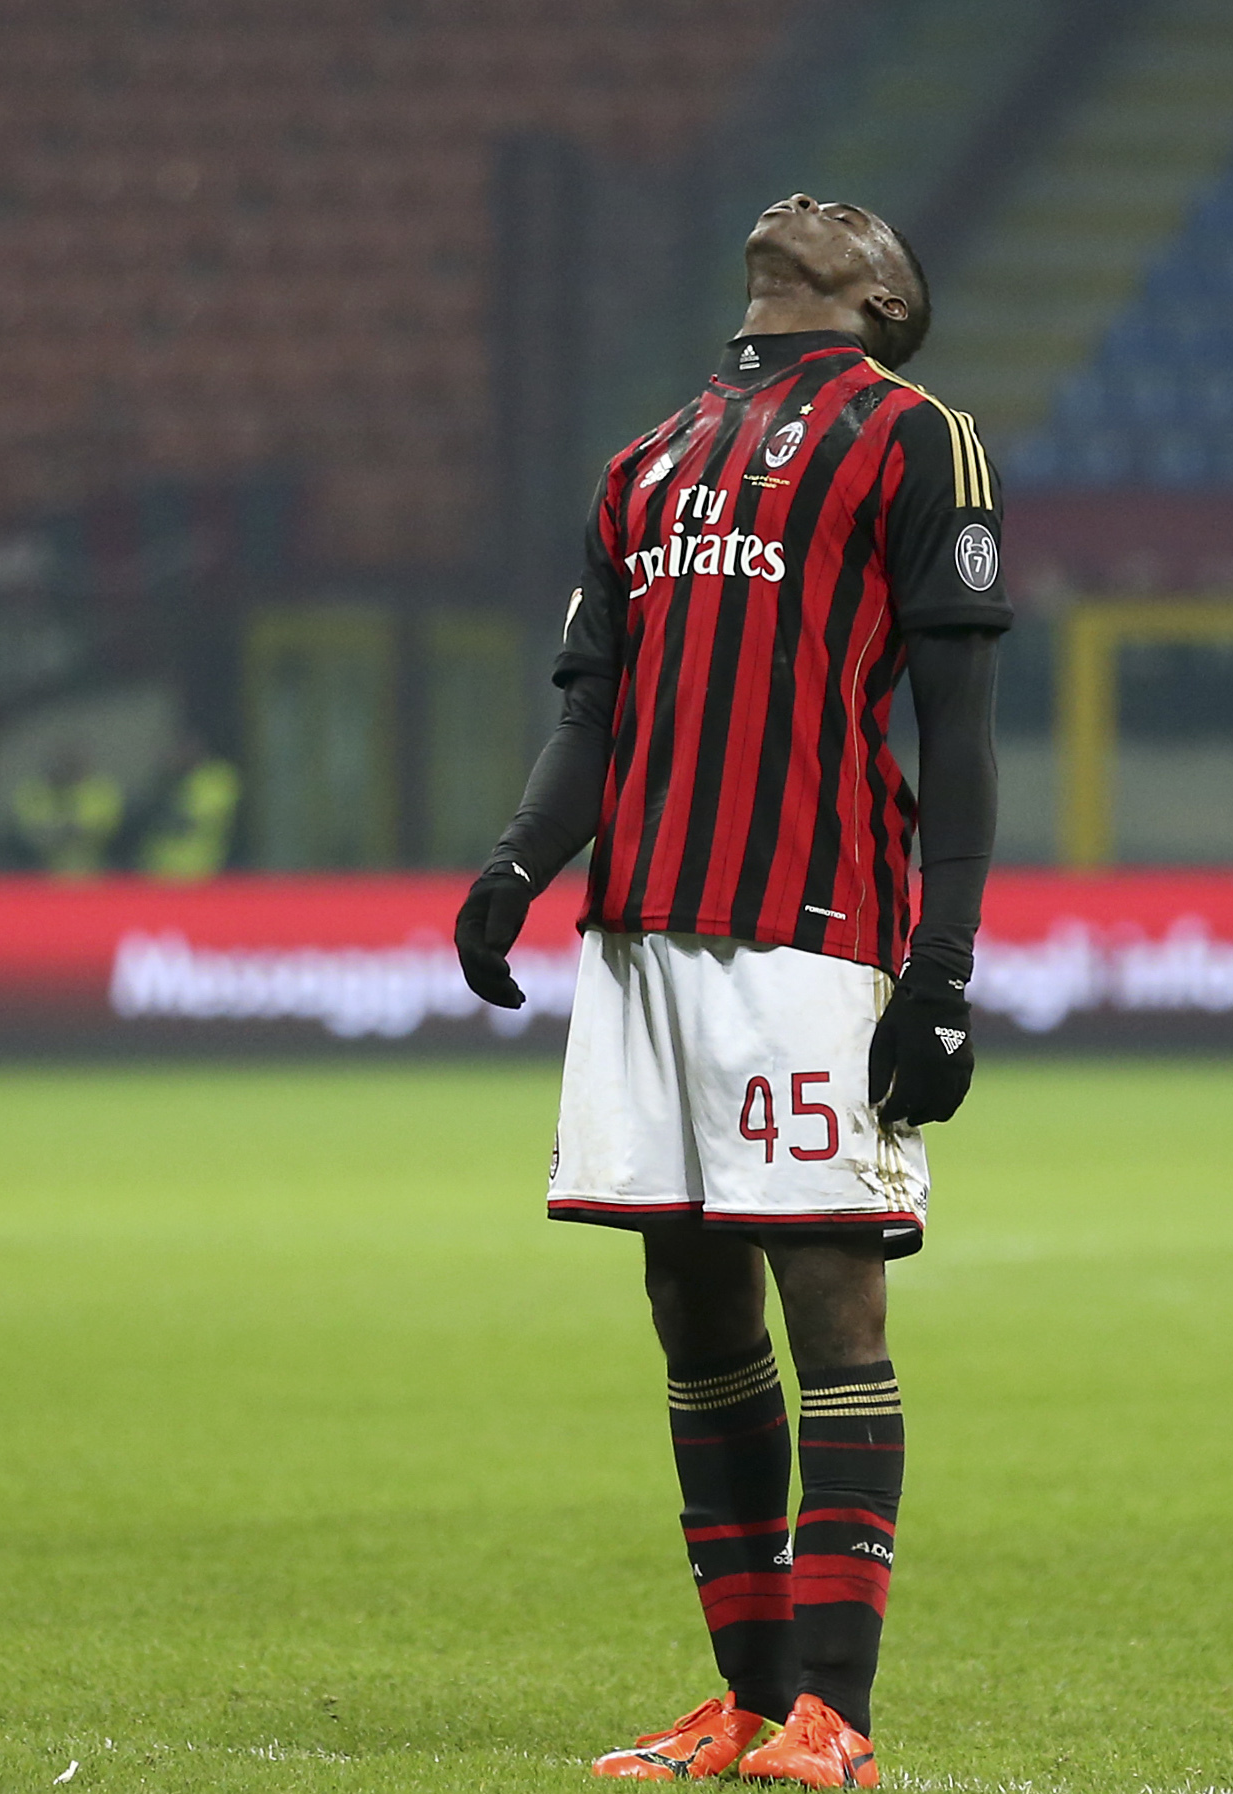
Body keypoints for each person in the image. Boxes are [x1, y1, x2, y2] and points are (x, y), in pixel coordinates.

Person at [453, 192, 1007, 1787]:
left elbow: (957, 727)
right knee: (688, 1305)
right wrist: (515, 865)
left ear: (886, 300)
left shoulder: (917, 438)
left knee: (830, 1298)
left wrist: (943, 965)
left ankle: (840, 1713)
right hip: (641, 932)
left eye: (870, 225)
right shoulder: (647, 457)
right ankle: (750, 1701)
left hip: (807, 925)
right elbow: (595, 710)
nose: (826, 207)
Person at [139, 731, 242, 880]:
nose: (179, 752)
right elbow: (148, 812)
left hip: (197, 871)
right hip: (159, 872)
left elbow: (185, 819)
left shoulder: (219, 777)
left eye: (186, 746)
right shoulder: (172, 778)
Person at [10, 742, 124, 878]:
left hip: (92, 873)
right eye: (60, 761)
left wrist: (73, 830)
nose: (65, 767)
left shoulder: (101, 790)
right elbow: (28, 833)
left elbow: (107, 830)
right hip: (36, 873)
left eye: (71, 761)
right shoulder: (34, 792)